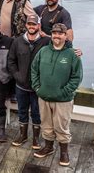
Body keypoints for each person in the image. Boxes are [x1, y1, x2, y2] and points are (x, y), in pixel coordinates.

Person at [31, 23, 82, 167]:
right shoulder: (43, 51)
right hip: (44, 96)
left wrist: (64, 92)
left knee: (62, 127)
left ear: (66, 36)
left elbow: (76, 77)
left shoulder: (73, 55)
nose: (56, 36)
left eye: (60, 33)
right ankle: (48, 147)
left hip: (63, 100)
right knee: (46, 125)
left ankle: (64, 152)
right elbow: (34, 70)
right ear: (51, 35)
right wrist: (37, 88)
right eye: (54, 33)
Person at [7, 15, 49, 149]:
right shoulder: (17, 41)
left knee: (37, 113)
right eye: (29, 24)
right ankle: (23, 135)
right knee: (22, 111)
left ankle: (36, 138)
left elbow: (62, 44)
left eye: (34, 24)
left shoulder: (46, 41)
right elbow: (11, 61)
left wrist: (74, 50)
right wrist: (17, 75)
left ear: (39, 26)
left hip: (38, 87)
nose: (32, 27)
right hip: (21, 86)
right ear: (26, 25)